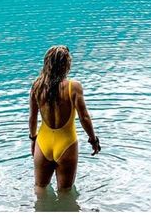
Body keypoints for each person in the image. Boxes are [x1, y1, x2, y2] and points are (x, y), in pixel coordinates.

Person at [28, 45, 100, 193]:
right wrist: (93, 140)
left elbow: (32, 117)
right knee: (66, 193)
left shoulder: (37, 86)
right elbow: (84, 117)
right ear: (66, 65)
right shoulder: (73, 87)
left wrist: (33, 139)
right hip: (66, 143)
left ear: (47, 63)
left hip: (43, 143)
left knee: (40, 189)